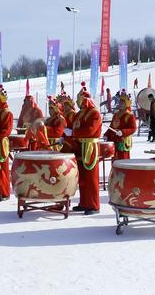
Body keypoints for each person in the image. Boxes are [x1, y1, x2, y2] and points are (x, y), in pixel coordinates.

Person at [62, 82, 102, 215]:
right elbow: (74, 128)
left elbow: (90, 131)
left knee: (91, 178)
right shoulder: (80, 114)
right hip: (79, 147)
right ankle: (84, 203)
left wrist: (72, 133)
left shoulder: (95, 113)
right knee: (83, 178)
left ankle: (94, 205)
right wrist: (66, 136)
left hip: (90, 147)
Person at [104, 90, 137, 160]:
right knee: (114, 159)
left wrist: (123, 132)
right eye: (120, 102)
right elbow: (111, 127)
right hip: (114, 140)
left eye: (122, 102)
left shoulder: (130, 115)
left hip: (123, 141)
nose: (120, 104)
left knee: (122, 160)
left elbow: (133, 128)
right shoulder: (115, 114)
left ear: (127, 104)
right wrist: (106, 134)